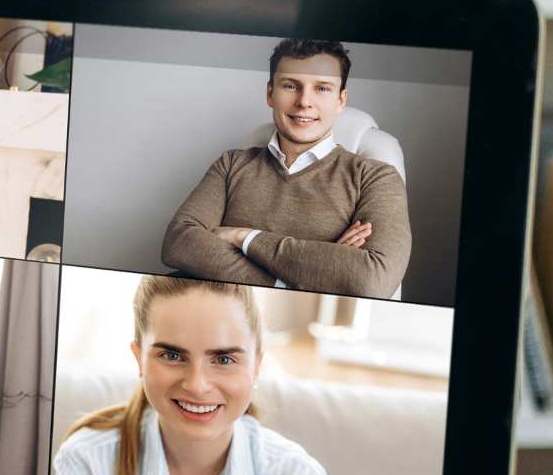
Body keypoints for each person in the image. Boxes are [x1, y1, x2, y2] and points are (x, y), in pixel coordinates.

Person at [48, 275, 337, 475]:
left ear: (257, 366)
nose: (197, 385)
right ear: (139, 359)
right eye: (172, 355)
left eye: (223, 359)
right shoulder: (85, 462)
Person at [161, 39, 415, 303]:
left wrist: (245, 237)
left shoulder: (376, 177)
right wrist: (309, 273)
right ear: (270, 94)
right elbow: (178, 243)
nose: (304, 101)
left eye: (322, 88)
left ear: (340, 100)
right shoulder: (231, 164)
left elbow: (372, 279)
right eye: (291, 86)